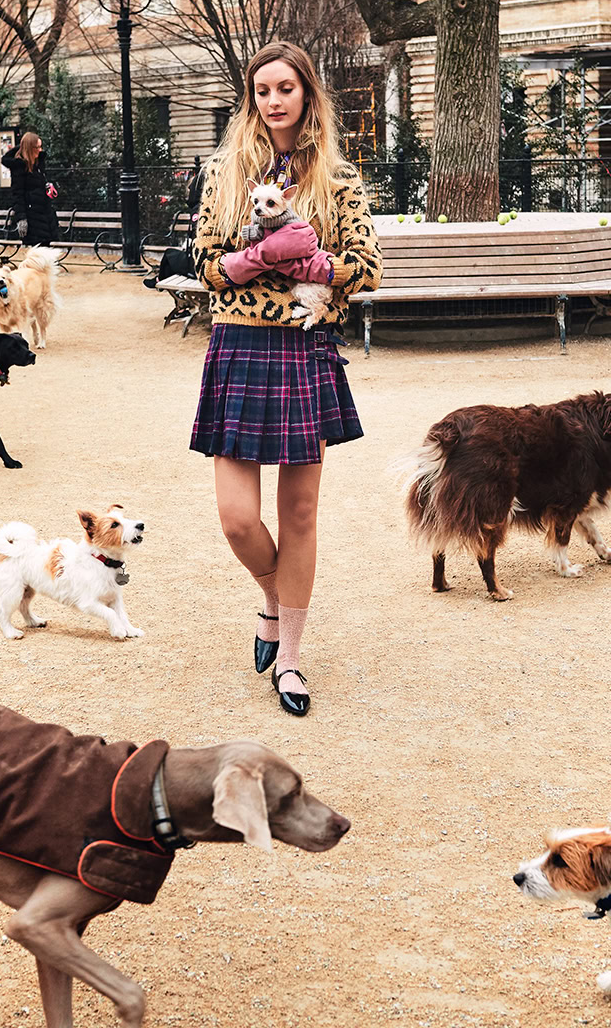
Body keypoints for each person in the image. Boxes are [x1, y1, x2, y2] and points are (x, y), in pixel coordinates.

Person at [191, 41, 382, 716]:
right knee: (238, 518)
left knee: (298, 512)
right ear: (252, 96)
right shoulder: (225, 171)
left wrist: (312, 267)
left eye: (285, 88)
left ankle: (291, 659)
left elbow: (366, 266)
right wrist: (251, 261)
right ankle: (274, 601)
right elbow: (204, 262)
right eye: (262, 89)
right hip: (239, 343)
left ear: (307, 95)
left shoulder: (338, 177)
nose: (273, 100)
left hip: (303, 346)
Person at [2, 132, 58, 245]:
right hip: (32, 216)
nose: (40, 150)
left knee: (49, 250)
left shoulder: (38, 164)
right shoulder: (19, 167)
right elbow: (17, 195)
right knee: (38, 250)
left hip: (45, 214)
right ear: (30, 148)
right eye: (36, 147)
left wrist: (48, 186)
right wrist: (21, 218)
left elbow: (40, 184)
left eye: (40, 146)